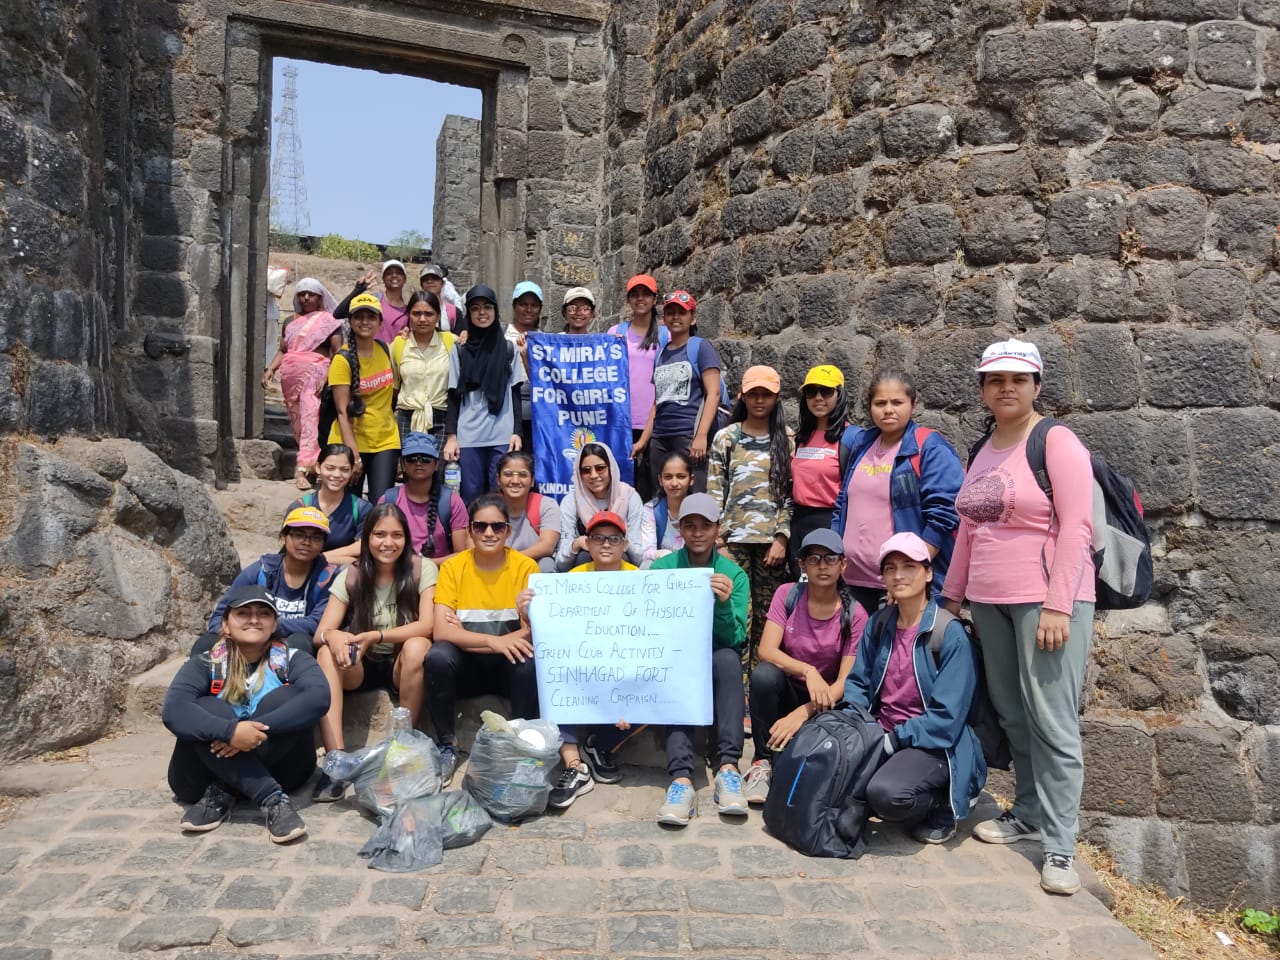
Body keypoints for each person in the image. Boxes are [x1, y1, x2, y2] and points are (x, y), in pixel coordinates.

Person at [941, 338, 1095, 896]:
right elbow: (968, 531)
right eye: (994, 379)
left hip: (1046, 600)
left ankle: (1059, 846)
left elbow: (1078, 525)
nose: (1006, 387)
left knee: (1052, 719)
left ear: (1036, 385)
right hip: (989, 600)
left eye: (1017, 379)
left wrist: (1058, 603)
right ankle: (1028, 813)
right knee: (1011, 712)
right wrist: (950, 601)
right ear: (982, 388)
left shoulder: (1054, 440)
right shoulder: (983, 448)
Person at [845, 532, 987, 845]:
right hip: (882, 735)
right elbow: (857, 684)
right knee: (838, 784)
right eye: (890, 568)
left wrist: (895, 740)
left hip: (934, 744)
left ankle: (943, 802)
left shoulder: (948, 634)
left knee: (885, 795)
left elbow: (946, 719)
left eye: (909, 566)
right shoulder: (880, 623)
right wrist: (857, 728)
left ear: (928, 572)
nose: (898, 575)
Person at [162, 586, 329, 842]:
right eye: (243, 613)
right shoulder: (206, 663)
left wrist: (251, 730)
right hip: (197, 779)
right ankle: (271, 798)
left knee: (287, 698)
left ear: (274, 624)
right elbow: (174, 710)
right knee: (208, 707)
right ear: (226, 624)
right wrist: (230, 732)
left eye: (263, 614)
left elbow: (319, 697)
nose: (253, 619)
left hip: (284, 769)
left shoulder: (291, 660)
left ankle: (224, 789)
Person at [310, 503, 436, 802]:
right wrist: (336, 635)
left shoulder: (422, 568)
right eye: (379, 534)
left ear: (407, 539)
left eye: (396, 535)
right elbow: (320, 633)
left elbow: (428, 625)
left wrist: (378, 635)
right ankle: (336, 761)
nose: (387, 543)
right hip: (361, 664)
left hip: (401, 663)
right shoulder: (352, 574)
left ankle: (401, 749)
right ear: (366, 539)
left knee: (419, 646)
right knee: (327, 653)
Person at [516, 510, 638, 809]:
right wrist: (526, 611)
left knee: (657, 691)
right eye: (597, 538)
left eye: (613, 538)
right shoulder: (571, 580)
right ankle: (576, 765)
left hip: (625, 667)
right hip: (583, 667)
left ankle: (600, 746)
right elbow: (552, 636)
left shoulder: (641, 579)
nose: (605, 544)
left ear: (624, 544)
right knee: (556, 673)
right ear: (588, 543)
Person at [425, 493, 541, 786]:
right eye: (480, 527)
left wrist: (522, 621)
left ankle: (519, 742)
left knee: (528, 658)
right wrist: (495, 641)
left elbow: (537, 631)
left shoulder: (526, 568)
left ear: (508, 531)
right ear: (471, 531)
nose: (489, 533)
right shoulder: (453, 568)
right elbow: (442, 631)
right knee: (438, 655)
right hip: (468, 667)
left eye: (497, 527)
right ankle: (447, 744)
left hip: (508, 666)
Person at [648, 493, 750, 825]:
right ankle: (680, 778)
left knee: (728, 661)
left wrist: (721, 606)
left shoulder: (733, 575)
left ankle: (728, 767)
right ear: (680, 529)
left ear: (717, 529)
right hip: (675, 655)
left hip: (716, 654)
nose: (696, 533)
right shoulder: (663, 568)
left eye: (704, 526)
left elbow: (735, 638)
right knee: (680, 664)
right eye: (689, 526)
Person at [742, 529, 864, 805]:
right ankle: (762, 761)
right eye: (814, 558)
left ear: (843, 564)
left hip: (826, 702)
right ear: (802, 565)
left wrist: (804, 712)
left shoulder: (854, 613)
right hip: (789, 690)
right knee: (763, 676)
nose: (822, 565)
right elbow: (767, 650)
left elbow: (845, 681)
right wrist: (808, 671)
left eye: (830, 558)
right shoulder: (788, 594)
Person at [831, 369, 964, 616]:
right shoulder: (862, 443)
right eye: (880, 403)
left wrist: (910, 572)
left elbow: (944, 515)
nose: (888, 409)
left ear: (913, 405)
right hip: (853, 582)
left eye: (897, 402)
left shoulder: (928, 447)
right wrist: (834, 556)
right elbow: (843, 503)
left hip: (902, 586)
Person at [707, 364, 794, 671]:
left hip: (771, 545)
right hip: (734, 543)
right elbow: (715, 492)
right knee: (737, 612)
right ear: (742, 395)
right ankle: (737, 686)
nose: (759, 401)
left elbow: (789, 494)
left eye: (766, 395)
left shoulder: (786, 438)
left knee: (768, 617)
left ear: (777, 397)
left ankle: (759, 686)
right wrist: (718, 542)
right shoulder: (726, 438)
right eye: (753, 394)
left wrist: (782, 538)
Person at [197, 506, 339, 657]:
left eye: (316, 537)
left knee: (300, 641)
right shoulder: (262, 570)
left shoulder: (327, 578)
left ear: (323, 544)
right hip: (250, 638)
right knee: (206, 643)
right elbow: (221, 614)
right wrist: (241, 629)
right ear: (284, 538)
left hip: (294, 645)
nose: (306, 542)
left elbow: (317, 623)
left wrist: (267, 625)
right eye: (299, 535)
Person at [443, 284, 526, 504]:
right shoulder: (460, 350)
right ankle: (471, 538)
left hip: (502, 434)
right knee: (470, 496)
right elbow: (453, 395)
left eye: (487, 307)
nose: (482, 313)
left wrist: (517, 432)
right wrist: (451, 437)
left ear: (496, 311)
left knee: (501, 496)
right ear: (468, 313)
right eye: (475, 308)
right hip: (469, 436)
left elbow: (515, 392)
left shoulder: (508, 350)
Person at [633, 290, 723, 493]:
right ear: (664, 319)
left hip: (688, 434)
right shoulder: (661, 353)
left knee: (695, 496)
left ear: (692, 318)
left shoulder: (700, 347)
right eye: (671, 313)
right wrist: (644, 441)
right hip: (660, 438)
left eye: (682, 313)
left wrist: (701, 436)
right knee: (663, 496)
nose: (675, 317)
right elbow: (658, 401)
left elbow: (713, 393)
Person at [262, 278, 344, 490]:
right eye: (302, 293)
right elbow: (283, 350)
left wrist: (328, 377)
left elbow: (338, 353)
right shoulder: (290, 321)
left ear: (320, 297)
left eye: (311, 294)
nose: (306, 297)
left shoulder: (328, 321)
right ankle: (312, 465)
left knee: (310, 420)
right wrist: (270, 369)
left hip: (316, 375)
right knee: (299, 424)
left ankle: (302, 471)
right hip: (290, 378)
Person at [327, 292, 400, 504]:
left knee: (382, 505)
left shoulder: (385, 350)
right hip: (351, 441)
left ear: (380, 322)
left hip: (385, 439)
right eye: (359, 316)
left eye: (371, 316)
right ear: (350, 321)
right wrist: (354, 454)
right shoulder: (343, 359)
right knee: (348, 505)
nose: (365, 322)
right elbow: (342, 411)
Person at [609, 274, 666, 500]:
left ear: (654, 299)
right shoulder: (615, 332)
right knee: (621, 484)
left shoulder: (665, 334)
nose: (640, 299)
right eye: (635, 294)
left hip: (655, 418)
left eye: (645, 294)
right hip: (620, 420)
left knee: (653, 482)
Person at [789, 364, 849, 573]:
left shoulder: (851, 438)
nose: (818, 398)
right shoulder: (801, 438)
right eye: (810, 392)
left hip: (831, 522)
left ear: (839, 394)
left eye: (826, 391)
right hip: (799, 523)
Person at [378, 432, 468, 562]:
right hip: (397, 573)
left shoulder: (451, 501)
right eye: (412, 458)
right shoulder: (388, 499)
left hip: (440, 575)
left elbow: (462, 555)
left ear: (436, 464)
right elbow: (378, 545)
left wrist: (424, 566)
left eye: (426, 458)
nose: (418, 463)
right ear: (403, 464)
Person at [554, 443, 645, 571]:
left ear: (611, 468)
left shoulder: (629, 496)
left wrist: (617, 541)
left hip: (623, 571)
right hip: (583, 574)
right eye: (586, 470)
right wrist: (576, 544)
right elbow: (561, 563)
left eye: (600, 468)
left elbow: (637, 554)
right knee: (585, 556)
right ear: (579, 474)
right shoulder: (571, 501)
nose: (594, 475)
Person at [392, 290, 457, 447]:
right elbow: (394, 386)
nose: (422, 319)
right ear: (409, 315)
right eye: (416, 313)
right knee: (412, 469)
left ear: (438, 316)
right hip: (407, 417)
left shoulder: (451, 342)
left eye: (429, 314)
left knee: (441, 469)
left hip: (442, 417)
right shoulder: (399, 345)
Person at [288, 443, 371, 566]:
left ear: (353, 470)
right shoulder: (301, 506)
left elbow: (362, 548)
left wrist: (318, 558)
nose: (337, 475)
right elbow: (291, 549)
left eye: (344, 469)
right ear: (318, 467)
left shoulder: (361, 509)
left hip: (344, 576)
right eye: (330, 468)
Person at [494, 450, 561, 570]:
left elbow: (547, 546)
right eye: (508, 474)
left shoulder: (546, 505)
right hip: (495, 565)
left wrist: (512, 561)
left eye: (523, 475)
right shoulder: (488, 507)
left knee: (547, 564)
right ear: (498, 480)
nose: (515, 481)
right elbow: (473, 544)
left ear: (532, 480)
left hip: (530, 564)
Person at [506, 281, 543, 451]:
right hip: (507, 410)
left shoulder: (546, 339)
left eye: (533, 305)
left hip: (538, 412)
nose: (528, 309)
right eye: (523, 304)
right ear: (514, 306)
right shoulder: (502, 336)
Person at [335, 260, 410, 342]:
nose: (394, 275)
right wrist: (357, 290)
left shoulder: (409, 311)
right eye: (389, 273)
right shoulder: (373, 301)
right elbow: (338, 314)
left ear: (405, 279)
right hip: (367, 353)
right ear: (383, 279)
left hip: (393, 354)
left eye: (399, 273)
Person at [639, 450, 691, 567]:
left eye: (681, 477)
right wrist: (663, 555)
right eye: (668, 477)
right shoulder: (651, 509)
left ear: (691, 479)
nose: (674, 483)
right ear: (660, 480)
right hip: (664, 565)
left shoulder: (699, 509)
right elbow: (646, 551)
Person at [419, 263, 464, 333]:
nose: (430, 281)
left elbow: (459, 339)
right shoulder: (415, 310)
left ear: (443, 283)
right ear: (421, 285)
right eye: (426, 279)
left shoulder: (454, 312)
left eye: (434, 278)